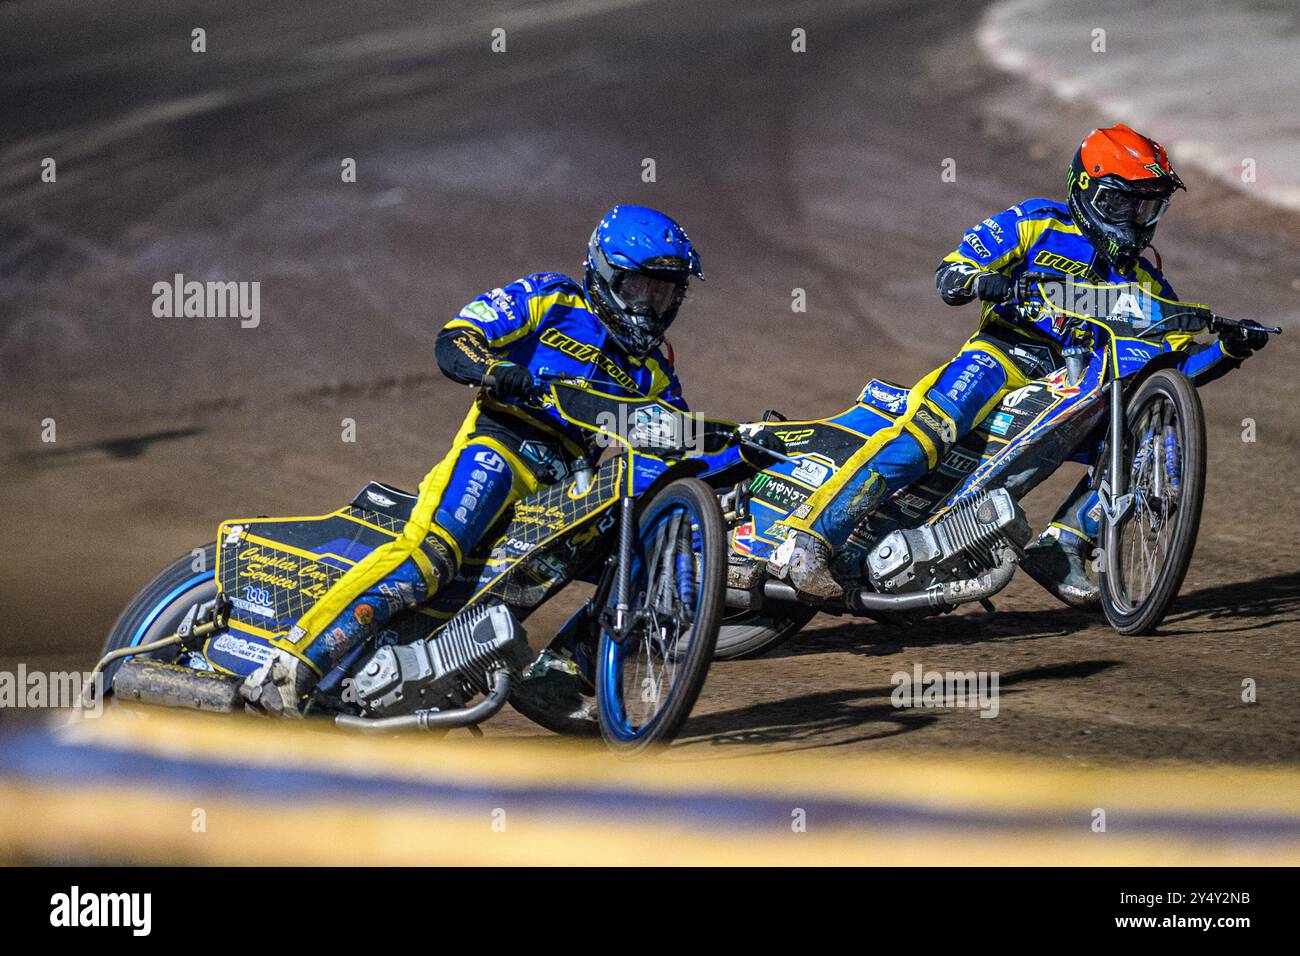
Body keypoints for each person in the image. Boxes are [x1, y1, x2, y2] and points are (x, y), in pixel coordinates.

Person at [242, 205, 715, 714]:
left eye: (664, 292)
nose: (650, 305)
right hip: (501, 448)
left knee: (644, 535)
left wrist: (753, 441)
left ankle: (565, 666)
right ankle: (289, 668)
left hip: (565, 493)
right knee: (431, 558)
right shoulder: (552, 299)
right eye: (639, 288)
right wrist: (493, 370)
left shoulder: (654, 370)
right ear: (604, 274)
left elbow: (679, 443)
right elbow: (456, 338)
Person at [769, 124, 1270, 604]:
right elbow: (952, 274)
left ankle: (1064, 545)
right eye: (1121, 203)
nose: (1133, 220)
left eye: (1146, 208)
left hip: (1075, 382)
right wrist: (983, 282)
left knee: (1136, 438)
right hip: (1002, 354)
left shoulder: (1150, 285)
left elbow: (1172, 379)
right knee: (930, 431)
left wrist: (1228, 351)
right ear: (1087, 190)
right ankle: (812, 539)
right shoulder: (1036, 220)